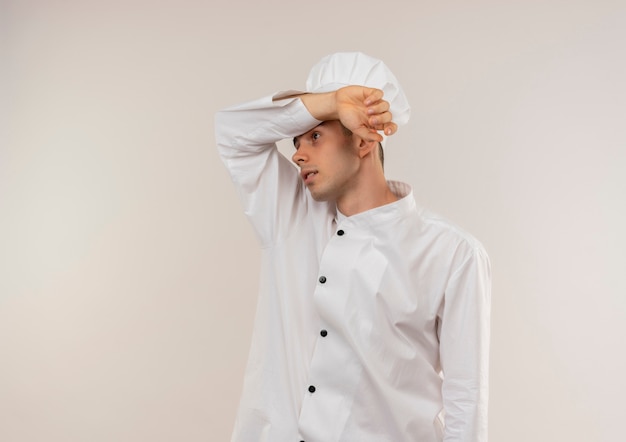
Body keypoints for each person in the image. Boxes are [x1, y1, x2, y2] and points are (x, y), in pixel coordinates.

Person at [215, 52, 491, 442]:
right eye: (296, 139)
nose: (297, 154)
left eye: (314, 136)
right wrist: (329, 104)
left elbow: (467, 398)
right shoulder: (288, 216)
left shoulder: (452, 253)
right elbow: (231, 132)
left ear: (362, 141)